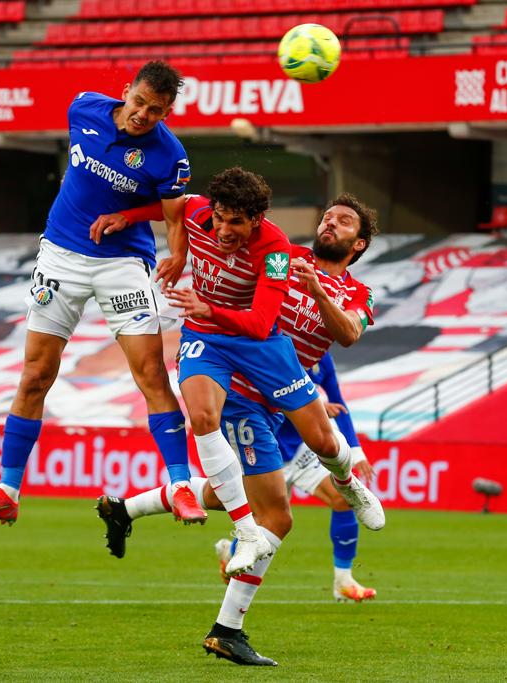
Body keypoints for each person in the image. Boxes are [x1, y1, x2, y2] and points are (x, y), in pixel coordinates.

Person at [96, 191, 382, 665]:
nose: (330, 223)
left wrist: (314, 290)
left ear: (361, 244)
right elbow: (197, 221)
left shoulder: (359, 294)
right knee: (276, 517)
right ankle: (228, 627)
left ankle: (125, 508)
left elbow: (348, 334)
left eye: (344, 222)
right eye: (327, 216)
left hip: (286, 397)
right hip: (245, 394)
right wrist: (170, 244)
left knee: (230, 493)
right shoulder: (281, 255)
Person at [0, 61, 206, 526]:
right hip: (60, 256)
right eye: (138, 103)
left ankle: (180, 487)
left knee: (151, 372)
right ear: (125, 90)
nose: (142, 116)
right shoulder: (84, 108)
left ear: (168, 111)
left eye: (155, 111)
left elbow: (175, 215)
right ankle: (8, 490)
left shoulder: (169, 155)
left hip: (123, 265)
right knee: (35, 373)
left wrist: (177, 254)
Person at [221, 351, 378, 604]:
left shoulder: (323, 357)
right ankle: (228, 555)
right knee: (267, 521)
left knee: (342, 500)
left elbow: (339, 402)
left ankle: (344, 581)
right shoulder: (278, 347)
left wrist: (356, 451)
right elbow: (263, 392)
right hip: (267, 451)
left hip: (301, 449)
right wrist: (313, 406)